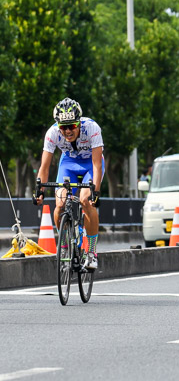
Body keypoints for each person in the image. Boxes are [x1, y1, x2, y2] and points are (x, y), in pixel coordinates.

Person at [34, 98, 104, 270]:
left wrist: (96, 191)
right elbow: (44, 166)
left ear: (79, 123)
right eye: (63, 127)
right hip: (68, 164)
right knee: (60, 203)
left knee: (86, 201)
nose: (67, 131)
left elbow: (97, 164)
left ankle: (92, 252)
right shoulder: (52, 133)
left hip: (89, 164)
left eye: (71, 126)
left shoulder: (92, 128)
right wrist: (40, 190)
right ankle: (65, 246)